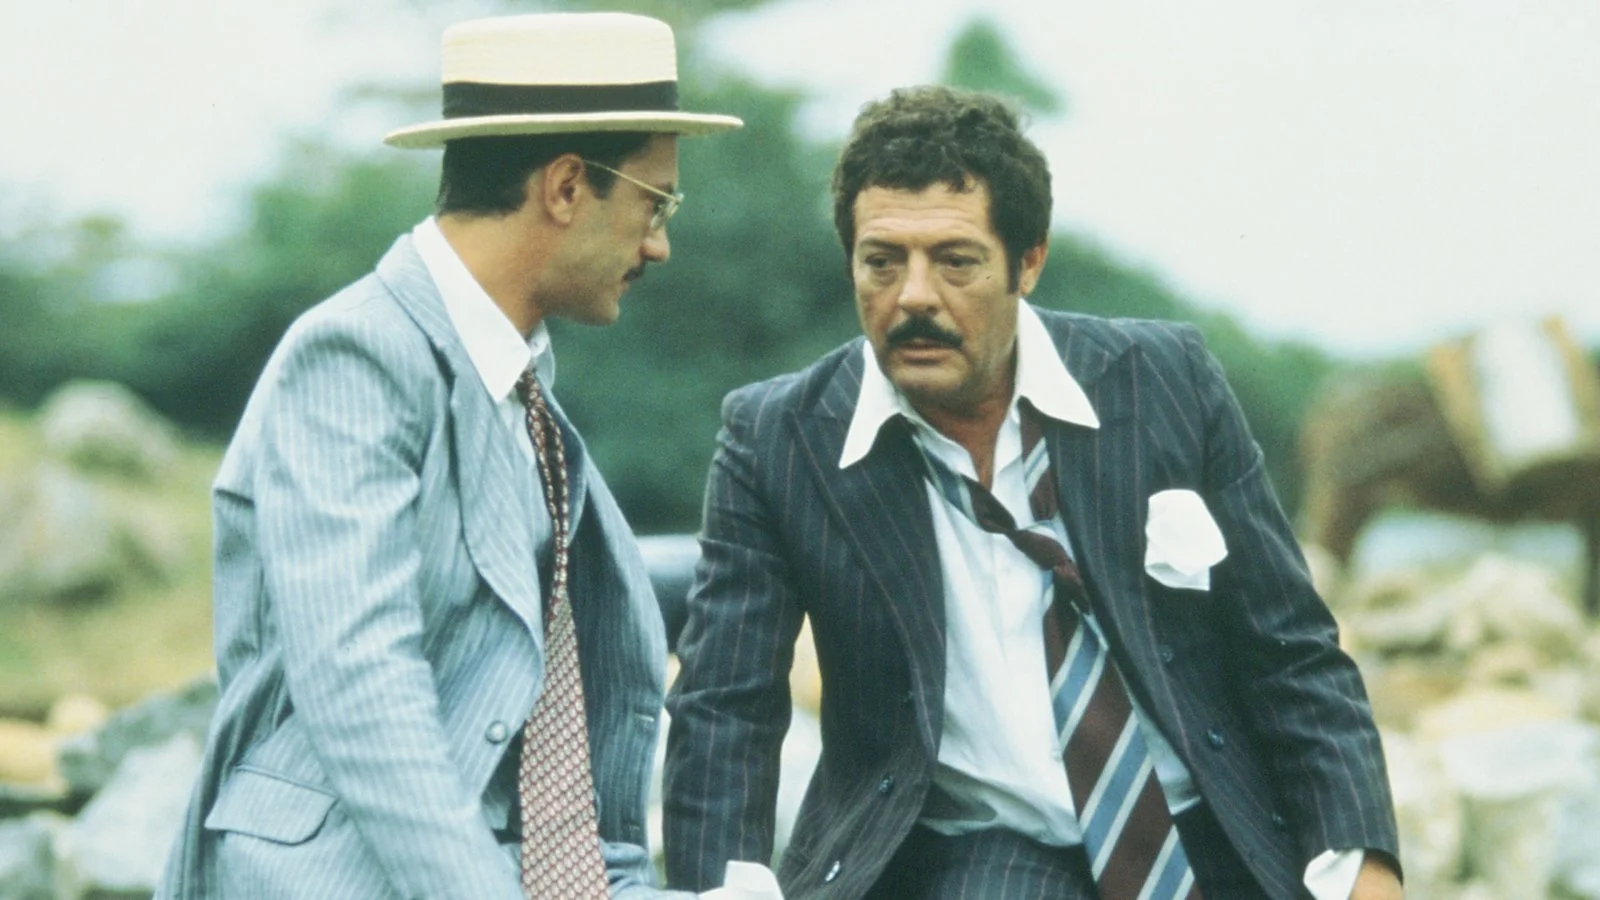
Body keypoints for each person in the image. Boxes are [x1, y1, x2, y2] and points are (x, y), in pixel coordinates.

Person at [663, 85, 1403, 900]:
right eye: (882, 261)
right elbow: (725, 708)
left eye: (956, 261)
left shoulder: (1164, 383)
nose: (914, 296)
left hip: (1209, 831)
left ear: (1028, 262)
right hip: (981, 852)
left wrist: (1361, 863)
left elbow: (1291, 650)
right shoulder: (779, 438)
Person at [156, 13, 741, 899]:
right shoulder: (357, 355)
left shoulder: (520, 390)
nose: (658, 242)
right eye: (654, 204)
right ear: (566, 187)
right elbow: (361, 686)